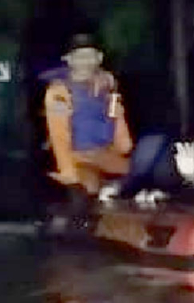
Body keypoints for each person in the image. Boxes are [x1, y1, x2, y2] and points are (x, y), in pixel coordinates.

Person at [40, 33, 134, 195]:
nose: (85, 62)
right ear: (69, 59)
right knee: (89, 188)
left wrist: (124, 146)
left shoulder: (108, 86)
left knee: (140, 178)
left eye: (90, 56)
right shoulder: (59, 92)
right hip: (79, 158)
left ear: (99, 58)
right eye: (79, 57)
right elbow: (59, 134)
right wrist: (68, 171)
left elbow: (116, 118)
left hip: (106, 154)